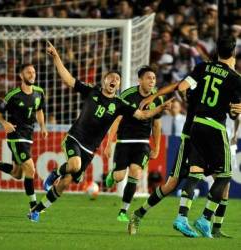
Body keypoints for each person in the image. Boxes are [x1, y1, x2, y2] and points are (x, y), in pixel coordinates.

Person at [28, 41, 173, 222]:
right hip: (75, 137)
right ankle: (54, 174)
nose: (114, 80)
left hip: (90, 149)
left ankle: (37, 209)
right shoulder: (92, 91)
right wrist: (56, 57)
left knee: (65, 183)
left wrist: (159, 109)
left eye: (117, 79)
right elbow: (68, 79)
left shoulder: (120, 104)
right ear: (104, 81)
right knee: (74, 165)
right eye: (110, 77)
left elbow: (143, 115)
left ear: (119, 86)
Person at [128, 36, 241, 238]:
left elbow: (178, 86)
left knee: (221, 183)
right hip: (193, 134)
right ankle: (140, 214)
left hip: (197, 129)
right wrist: (156, 97)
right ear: (232, 54)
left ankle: (214, 228)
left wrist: (156, 96)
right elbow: (232, 109)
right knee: (176, 182)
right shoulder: (230, 77)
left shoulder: (202, 71)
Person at [0, 63, 48, 211]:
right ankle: (34, 206)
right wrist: (4, 123)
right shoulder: (12, 95)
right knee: (30, 169)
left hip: (29, 135)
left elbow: (39, 110)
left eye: (33, 72)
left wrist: (43, 126)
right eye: (28, 72)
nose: (32, 74)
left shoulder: (39, 92)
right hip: (15, 136)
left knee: (17, 173)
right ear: (21, 76)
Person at [103, 66, 163, 222]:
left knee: (136, 172)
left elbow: (156, 125)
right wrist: (109, 143)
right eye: (149, 78)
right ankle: (112, 174)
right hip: (124, 141)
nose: (152, 81)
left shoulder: (157, 98)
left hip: (143, 142)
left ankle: (123, 210)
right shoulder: (127, 95)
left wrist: (156, 147)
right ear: (140, 80)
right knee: (119, 176)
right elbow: (117, 119)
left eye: (154, 78)